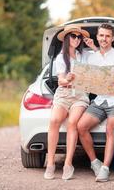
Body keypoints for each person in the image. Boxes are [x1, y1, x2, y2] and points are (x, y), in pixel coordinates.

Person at [77, 23, 114, 182]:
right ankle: (94, 162)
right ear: (97, 37)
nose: (104, 38)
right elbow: (88, 77)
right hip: (100, 99)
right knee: (81, 126)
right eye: (101, 35)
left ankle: (105, 168)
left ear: (113, 38)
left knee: (111, 128)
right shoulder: (93, 56)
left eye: (107, 36)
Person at [44, 25, 97, 180]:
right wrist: (66, 79)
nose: (76, 39)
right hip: (63, 94)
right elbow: (60, 79)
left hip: (80, 96)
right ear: (67, 38)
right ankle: (51, 162)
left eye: (79, 37)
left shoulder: (84, 55)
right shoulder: (61, 57)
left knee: (72, 123)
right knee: (54, 120)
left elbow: (101, 59)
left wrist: (92, 45)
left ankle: (68, 163)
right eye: (73, 36)